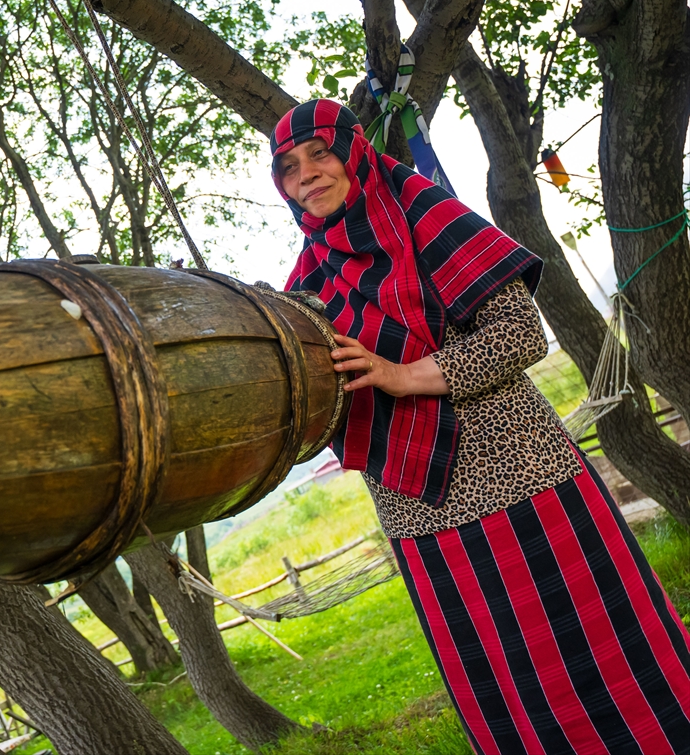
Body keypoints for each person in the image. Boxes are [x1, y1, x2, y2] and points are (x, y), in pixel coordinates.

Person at [272, 98, 690, 754]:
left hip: (525, 484)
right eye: (290, 168)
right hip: (418, 516)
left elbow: (521, 333)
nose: (306, 175)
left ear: (353, 150)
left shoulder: (424, 215)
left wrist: (403, 374)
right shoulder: (306, 281)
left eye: (319, 153)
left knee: (607, 663)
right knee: (505, 690)